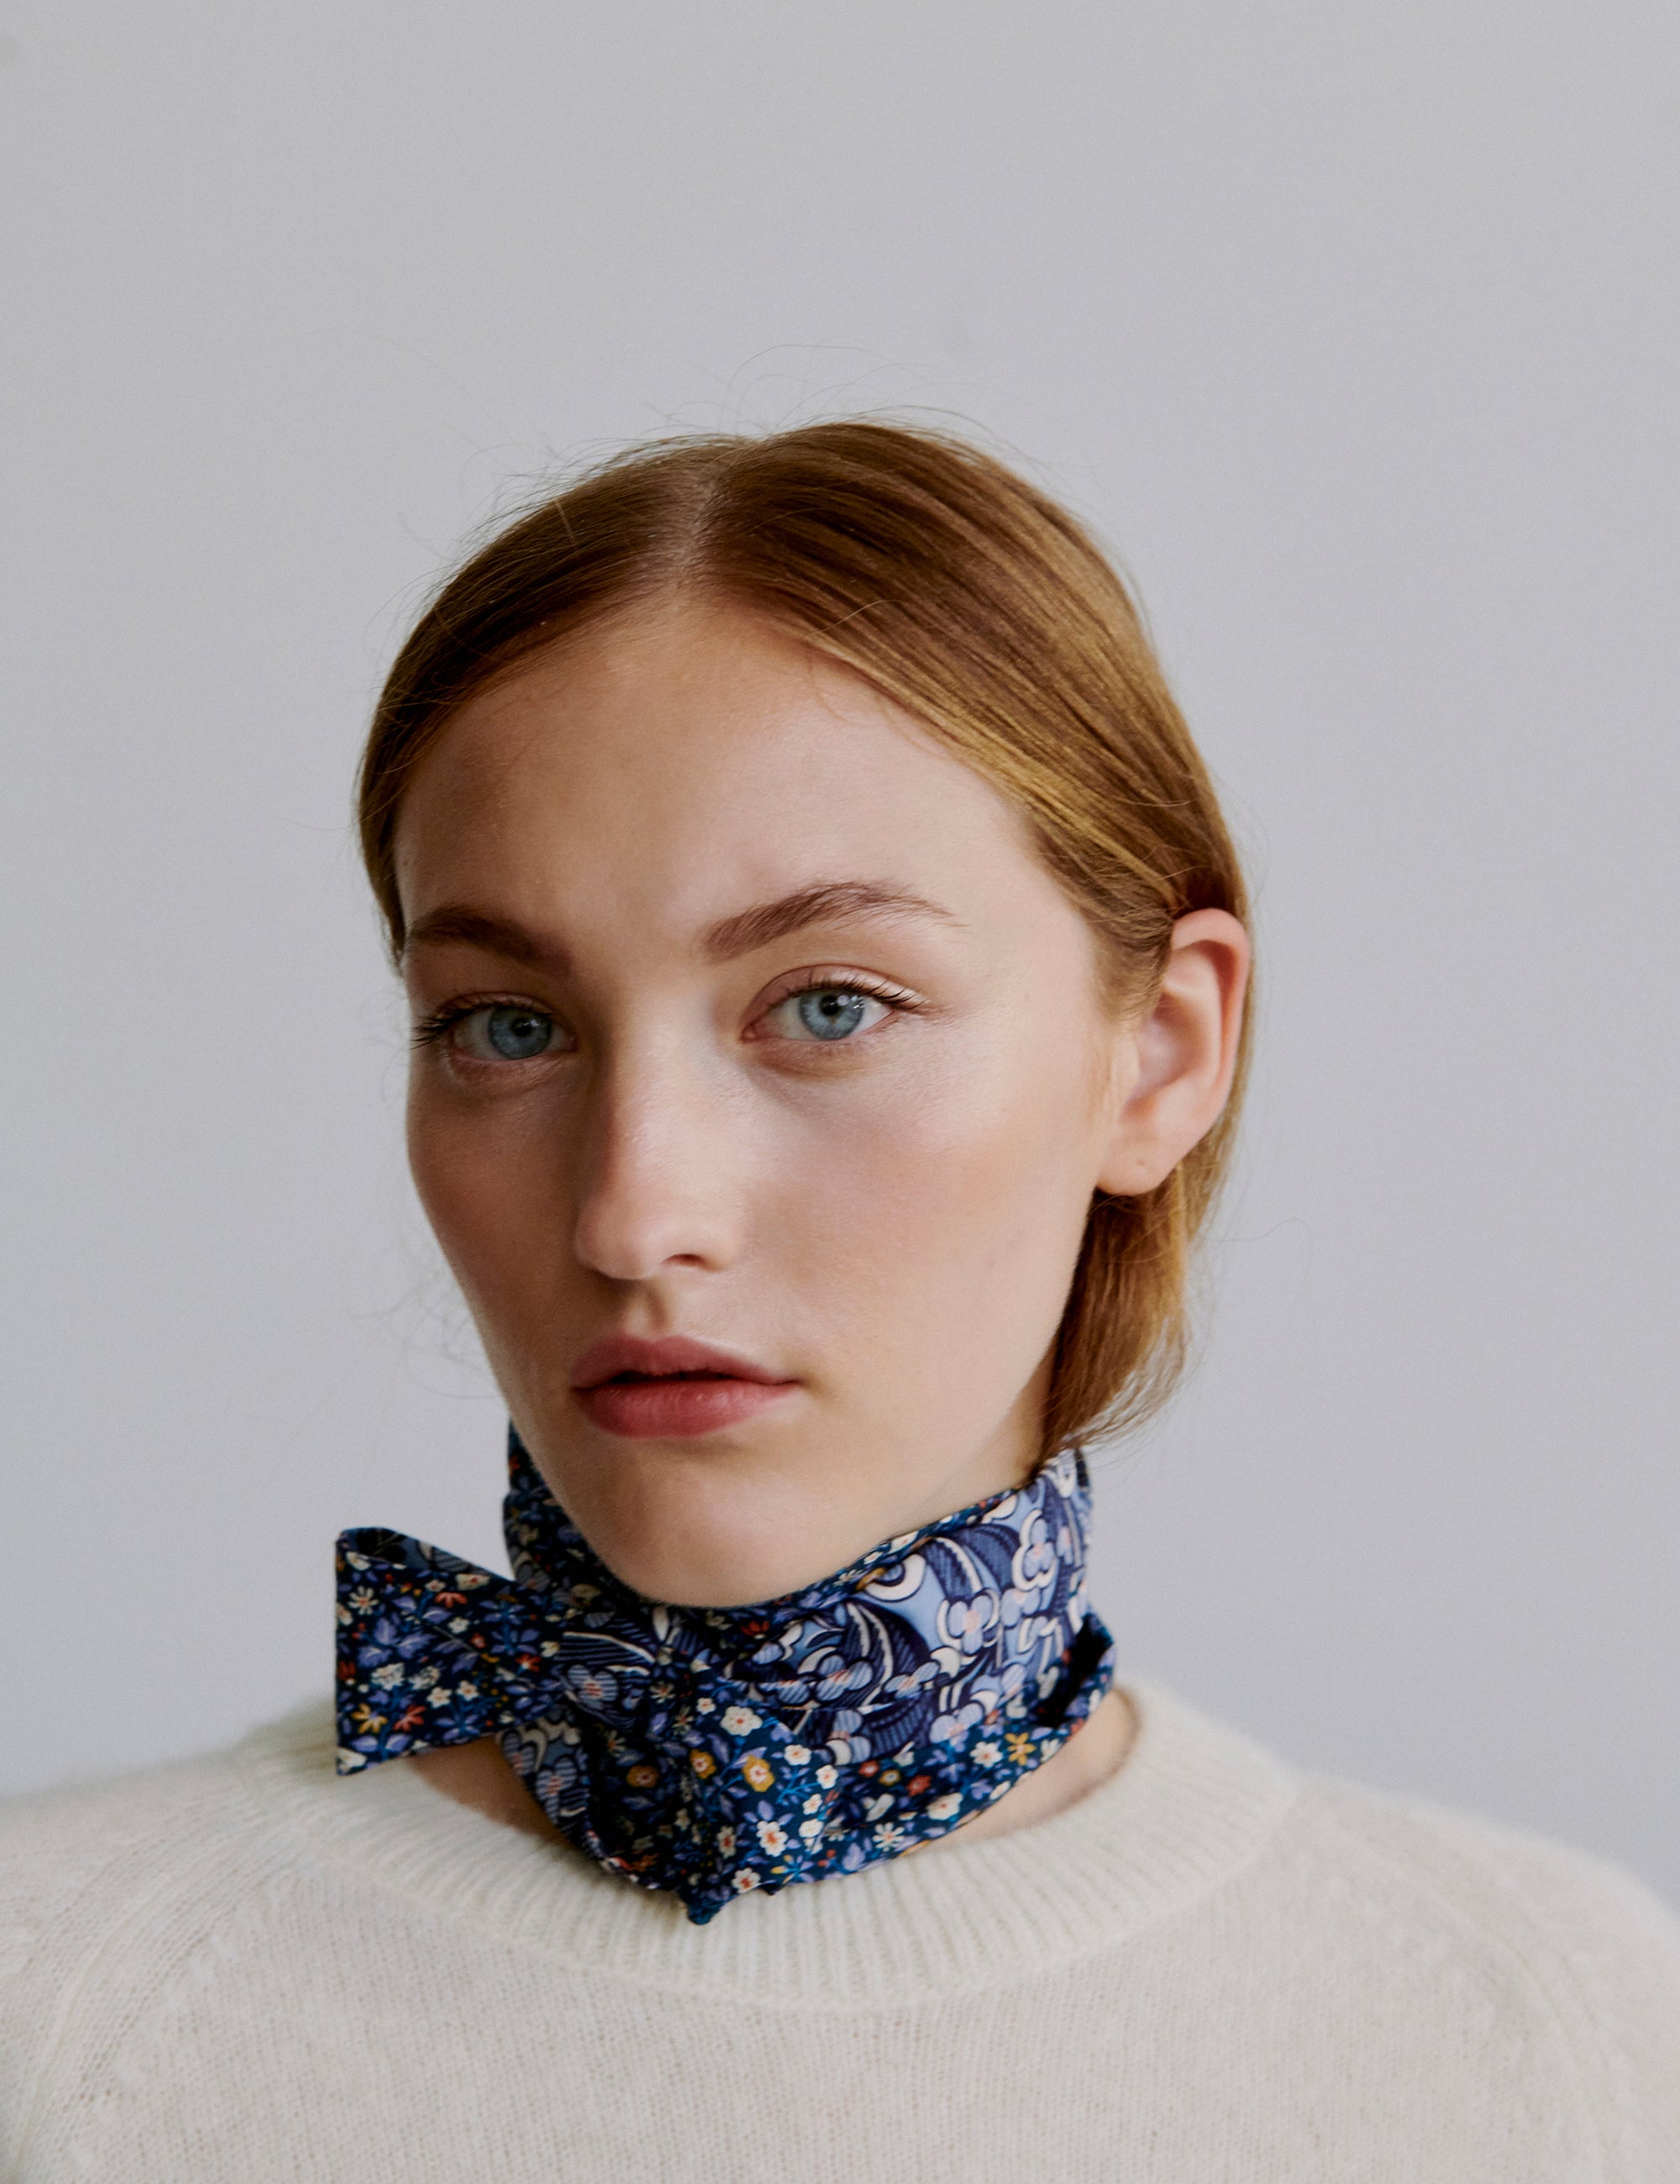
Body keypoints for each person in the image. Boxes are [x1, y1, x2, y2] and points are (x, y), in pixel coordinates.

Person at [3, 423, 1676, 2181]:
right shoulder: (60, 2014)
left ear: (1161, 1051)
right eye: (507, 1024)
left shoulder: (1554, 2044)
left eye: (828, 1006)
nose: (636, 1207)